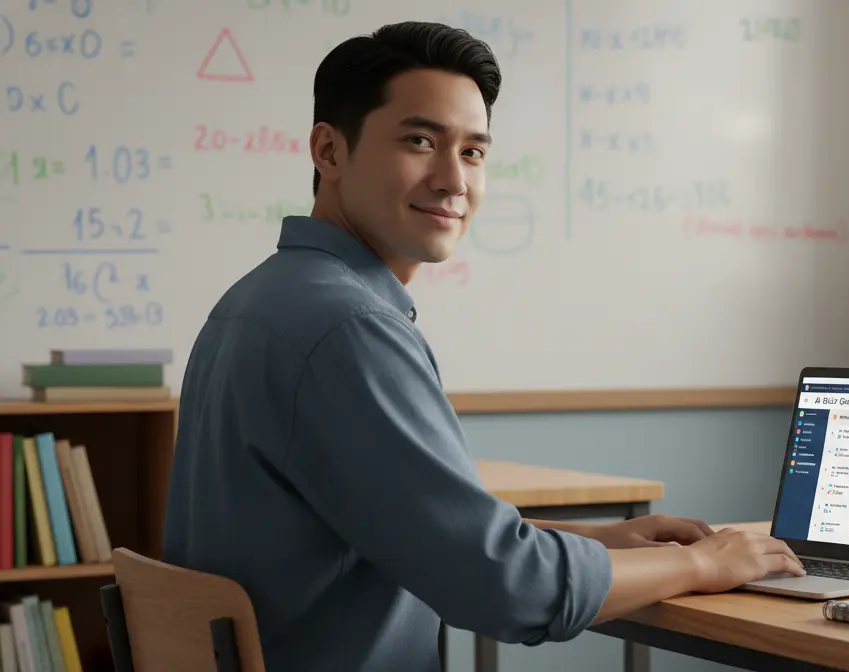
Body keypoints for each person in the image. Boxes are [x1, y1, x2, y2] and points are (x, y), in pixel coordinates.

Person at [161, 21, 803, 671]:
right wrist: (700, 563)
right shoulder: (347, 328)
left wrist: (600, 540)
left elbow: (405, 535)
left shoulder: (263, 299)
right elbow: (505, 588)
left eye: (472, 152)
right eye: (420, 141)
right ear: (329, 151)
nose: (453, 180)